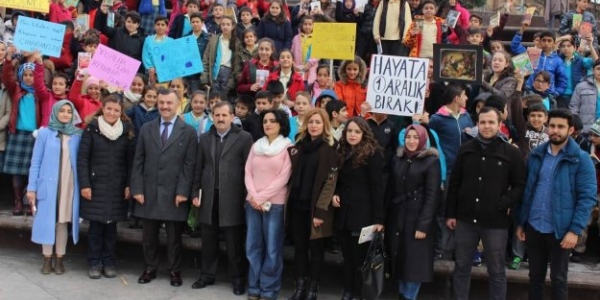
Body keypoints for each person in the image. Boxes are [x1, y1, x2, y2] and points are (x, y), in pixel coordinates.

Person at [445, 107, 526, 300]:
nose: (486, 126)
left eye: (491, 122)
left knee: (496, 270)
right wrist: (451, 213)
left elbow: (520, 185)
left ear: (500, 125)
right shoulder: (466, 149)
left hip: (495, 222)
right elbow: (454, 183)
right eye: (483, 122)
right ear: (477, 124)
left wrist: (502, 203)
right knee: (462, 267)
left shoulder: (511, 153)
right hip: (465, 219)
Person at [516, 108, 597, 300]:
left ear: (571, 130)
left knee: (559, 279)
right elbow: (526, 189)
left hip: (561, 230)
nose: (555, 130)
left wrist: (575, 230)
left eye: (561, 127)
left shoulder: (581, 159)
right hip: (534, 225)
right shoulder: (536, 154)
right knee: (534, 277)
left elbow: (587, 198)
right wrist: (521, 221)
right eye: (552, 126)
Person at [131, 88, 197, 287]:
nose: (165, 107)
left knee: (174, 238)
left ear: (178, 104)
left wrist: (183, 191)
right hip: (149, 191)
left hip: (174, 193)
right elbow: (138, 161)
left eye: (169, 103)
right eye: (161, 103)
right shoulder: (147, 128)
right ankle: (150, 268)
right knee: (148, 236)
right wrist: (137, 188)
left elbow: (189, 164)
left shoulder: (188, 132)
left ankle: (174, 270)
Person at [190, 102, 253, 295]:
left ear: (232, 116)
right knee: (208, 240)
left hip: (233, 197)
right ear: (212, 117)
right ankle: (207, 275)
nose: (220, 119)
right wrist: (195, 192)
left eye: (224, 115)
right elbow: (198, 167)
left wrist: (246, 196)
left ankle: (237, 279)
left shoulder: (244, 138)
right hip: (209, 196)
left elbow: (249, 170)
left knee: (234, 243)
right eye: (217, 115)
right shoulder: (205, 138)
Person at [78, 95, 134, 279]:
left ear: (121, 113)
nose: (112, 113)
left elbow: (130, 162)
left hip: (117, 187)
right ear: (102, 108)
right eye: (109, 109)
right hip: (95, 186)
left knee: (111, 228)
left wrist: (128, 184)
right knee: (95, 227)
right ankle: (94, 263)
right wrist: (85, 184)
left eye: (116, 110)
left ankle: (109, 262)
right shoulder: (91, 129)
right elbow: (83, 159)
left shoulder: (127, 132)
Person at [287, 108, 339, 300]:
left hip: (316, 209)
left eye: (317, 122)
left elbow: (330, 183)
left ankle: (312, 290)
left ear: (324, 125)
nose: (314, 126)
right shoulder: (298, 146)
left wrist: (319, 212)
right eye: (311, 122)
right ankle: (300, 287)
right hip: (297, 206)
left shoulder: (330, 149)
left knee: (316, 251)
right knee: (300, 249)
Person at [27, 100, 82, 275]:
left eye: (69, 111)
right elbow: (35, 161)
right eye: (62, 111)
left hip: (67, 186)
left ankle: (59, 259)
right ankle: (46, 258)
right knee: (47, 221)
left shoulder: (77, 135)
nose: (65, 114)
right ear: (55, 112)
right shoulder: (45, 134)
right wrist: (32, 187)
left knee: (62, 222)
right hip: (48, 186)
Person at [386, 124, 440, 300]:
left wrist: (423, 225)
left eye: (416, 137)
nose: (411, 141)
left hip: (417, 220)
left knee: (414, 265)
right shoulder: (398, 158)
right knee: (400, 261)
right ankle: (402, 295)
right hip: (398, 218)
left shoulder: (431, 161)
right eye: (408, 137)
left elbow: (432, 195)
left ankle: (409, 297)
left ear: (423, 140)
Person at [332, 117, 384, 299]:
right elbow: (337, 179)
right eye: (349, 131)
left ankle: (357, 292)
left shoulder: (373, 153)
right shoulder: (342, 151)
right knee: (347, 256)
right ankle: (348, 290)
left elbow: (378, 187)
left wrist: (378, 219)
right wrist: (335, 192)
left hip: (363, 214)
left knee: (359, 258)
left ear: (364, 133)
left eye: (356, 131)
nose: (352, 135)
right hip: (344, 213)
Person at [244, 109, 292, 300]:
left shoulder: (288, 147)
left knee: (272, 249)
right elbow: (248, 172)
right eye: (265, 121)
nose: (268, 124)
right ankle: (254, 287)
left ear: (281, 124)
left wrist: (261, 196)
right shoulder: (256, 145)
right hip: (253, 204)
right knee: (252, 246)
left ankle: (269, 289)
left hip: (275, 205)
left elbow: (284, 177)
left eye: (272, 121)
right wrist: (253, 196)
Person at [569, 59, 600, 133]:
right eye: (598, 69)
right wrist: (577, 126)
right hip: (585, 130)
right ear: (593, 70)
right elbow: (574, 107)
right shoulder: (581, 86)